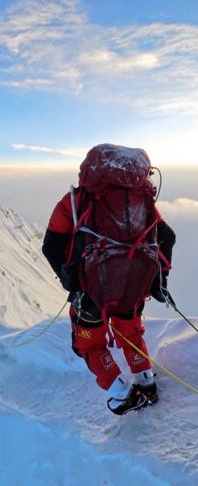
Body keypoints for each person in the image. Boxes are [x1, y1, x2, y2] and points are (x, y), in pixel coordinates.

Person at [42, 144, 176, 415]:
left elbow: (50, 246)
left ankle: (120, 392)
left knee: (89, 343)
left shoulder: (75, 200)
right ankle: (145, 381)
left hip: (90, 293)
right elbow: (167, 237)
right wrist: (159, 280)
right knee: (130, 333)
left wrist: (70, 281)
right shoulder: (143, 201)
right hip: (133, 288)